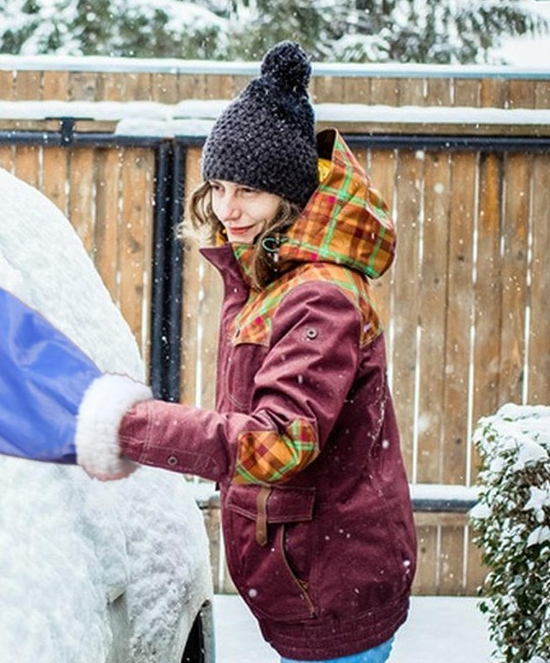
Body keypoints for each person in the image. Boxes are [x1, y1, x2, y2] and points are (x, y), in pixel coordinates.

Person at [75, 41, 417, 663]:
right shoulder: (272, 277)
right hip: (315, 578)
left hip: (333, 588)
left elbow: (277, 442)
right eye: (219, 186)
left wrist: (128, 424)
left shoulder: (319, 296)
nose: (227, 209)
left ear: (289, 199)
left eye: (249, 192)